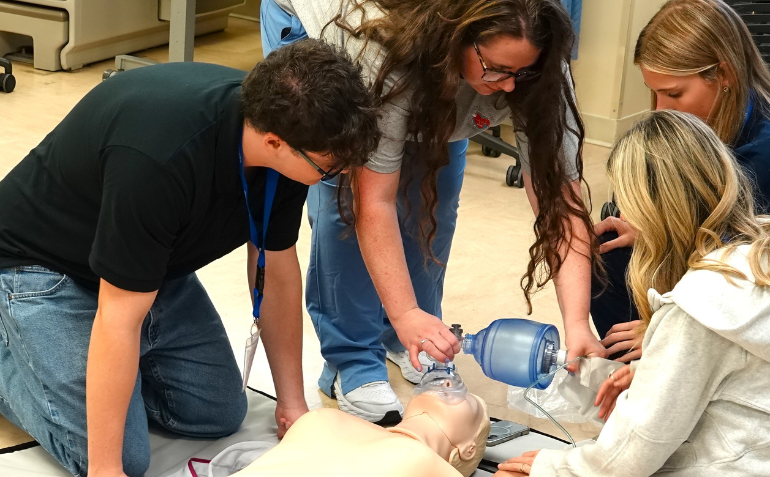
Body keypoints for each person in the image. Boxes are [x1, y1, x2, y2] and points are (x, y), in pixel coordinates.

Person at [0, 39, 380, 477]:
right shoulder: (158, 160)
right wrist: (106, 470)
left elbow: (274, 269)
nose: (339, 174)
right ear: (275, 142)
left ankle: (81, 368)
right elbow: (119, 316)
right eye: (331, 168)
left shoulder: (296, 132)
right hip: (43, 268)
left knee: (217, 413)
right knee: (121, 457)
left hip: (150, 267)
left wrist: (293, 404)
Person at [261, 0, 606, 423]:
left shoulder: (540, 67)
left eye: (522, 72)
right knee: (345, 206)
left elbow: (561, 205)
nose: (511, 87)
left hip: (432, 68)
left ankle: (408, 338)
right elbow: (374, 203)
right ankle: (351, 362)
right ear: (458, 37)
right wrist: (405, 312)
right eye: (497, 69)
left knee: (432, 204)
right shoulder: (376, 50)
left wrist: (577, 323)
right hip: (328, 26)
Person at [495, 110, 770, 476]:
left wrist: (555, 468)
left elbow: (632, 455)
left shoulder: (700, 306)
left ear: (652, 209)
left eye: (627, 205)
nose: (622, 216)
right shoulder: (756, 252)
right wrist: (654, 367)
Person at [591, 0, 770, 362]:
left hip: (747, 283)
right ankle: (640, 376)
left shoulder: (761, 154)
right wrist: (649, 228)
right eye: (653, 91)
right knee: (607, 255)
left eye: (673, 94)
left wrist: (669, 327)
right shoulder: (700, 130)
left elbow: (744, 273)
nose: (660, 107)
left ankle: (666, 370)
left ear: (725, 74)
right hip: (710, 250)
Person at [232, 384, 490, 476]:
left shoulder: (430, 464)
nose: (448, 382)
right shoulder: (334, 418)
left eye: (467, 399)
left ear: (467, 450)